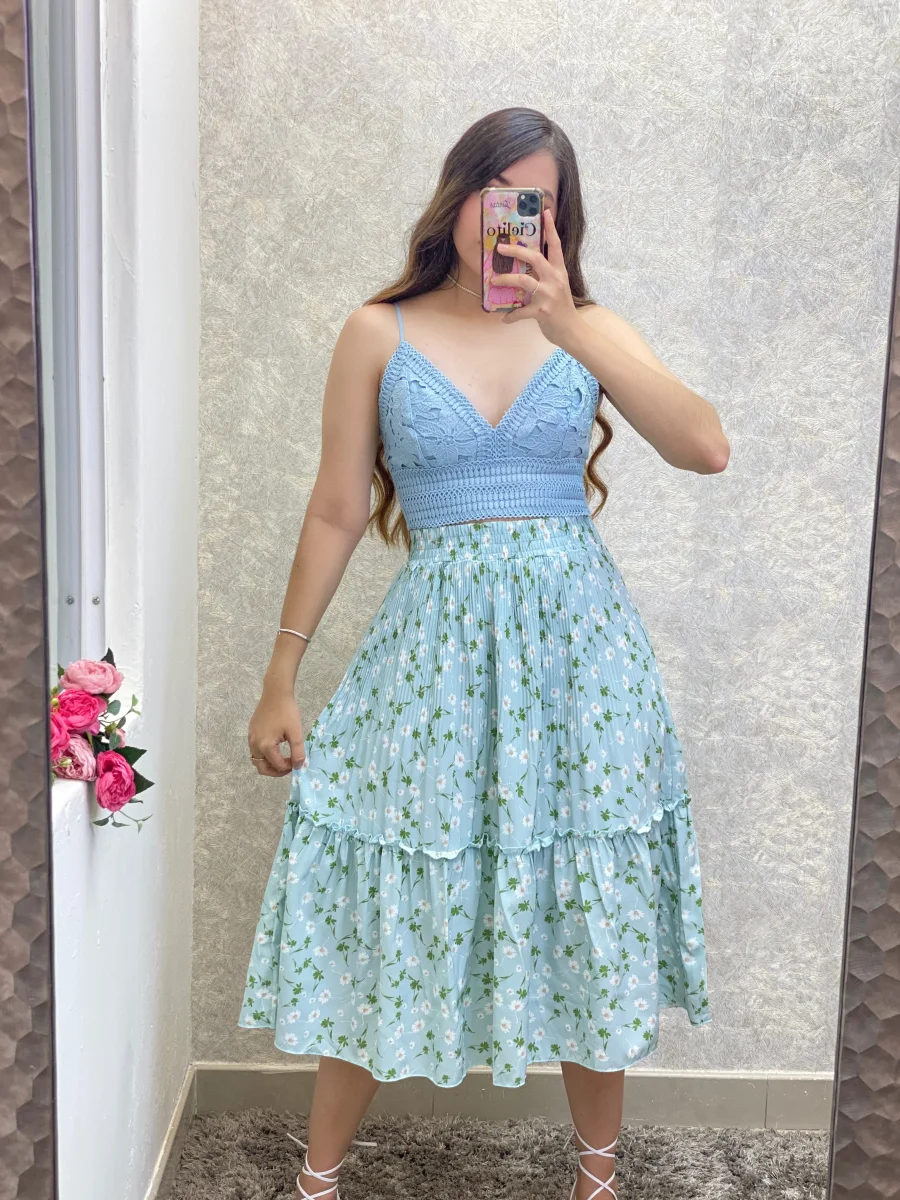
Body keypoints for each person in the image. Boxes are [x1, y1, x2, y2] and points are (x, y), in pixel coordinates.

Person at [238, 106, 729, 1200]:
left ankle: (597, 1179)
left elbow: (705, 446)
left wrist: (569, 325)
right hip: (434, 661)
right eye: (493, 190)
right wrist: (281, 675)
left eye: (533, 199)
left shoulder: (589, 327)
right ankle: (317, 1180)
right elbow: (335, 510)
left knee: (585, 893)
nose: (506, 216)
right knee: (393, 887)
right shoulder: (378, 331)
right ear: (457, 194)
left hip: (581, 664)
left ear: (556, 219)